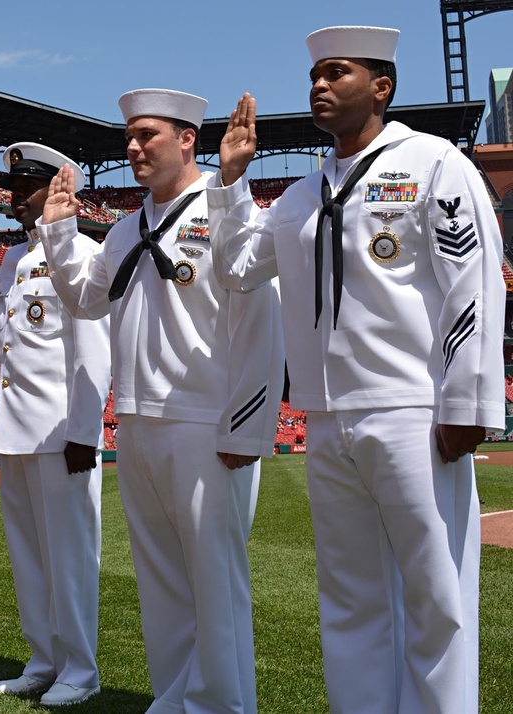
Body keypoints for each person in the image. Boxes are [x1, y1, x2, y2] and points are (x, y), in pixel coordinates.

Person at [209, 26, 504, 714]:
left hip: (414, 410)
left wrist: (466, 401)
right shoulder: (299, 195)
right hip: (327, 417)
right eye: (314, 74)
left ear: (381, 86)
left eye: (336, 72)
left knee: (436, 596)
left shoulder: (432, 162)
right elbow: (239, 269)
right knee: (350, 597)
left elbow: (472, 281)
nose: (318, 85)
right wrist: (228, 186)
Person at [37, 91, 283, 713]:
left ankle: (223, 706)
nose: (132, 147)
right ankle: (175, 698)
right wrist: (62, 230)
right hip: (139, 423)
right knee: (162, 582)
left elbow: (261, 322)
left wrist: (245, 430)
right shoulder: (124, 229)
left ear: (186, 140)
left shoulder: (227, 212)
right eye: (128, 136)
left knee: (214, 582)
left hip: (206, 423)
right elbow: (85, 300)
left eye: (146, 134)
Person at [0, 142, 112, 707]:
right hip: (17, 429)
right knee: (29, 556)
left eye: (26, 189)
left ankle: (80, 670)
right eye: (13, 189)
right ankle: (44, 659)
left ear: (56, 189)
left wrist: (83, 432)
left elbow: (93, 349)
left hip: (60, 433)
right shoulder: (14, 260)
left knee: (71, 555)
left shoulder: (85, 253)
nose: (15, 198)